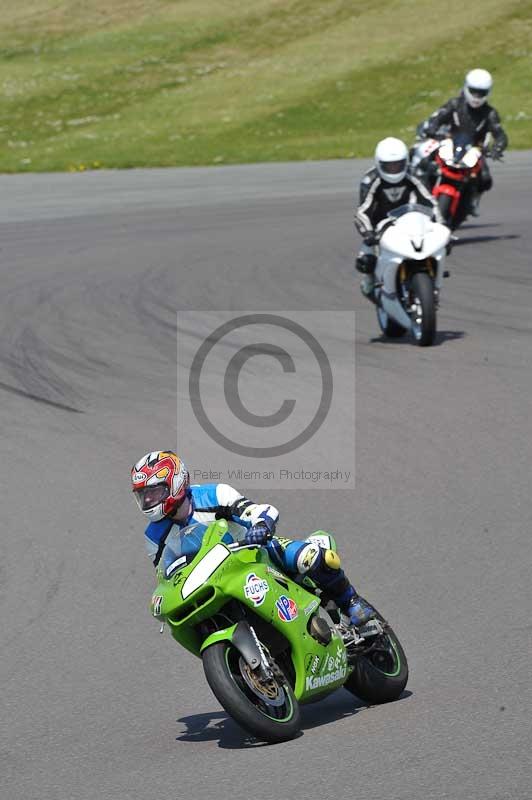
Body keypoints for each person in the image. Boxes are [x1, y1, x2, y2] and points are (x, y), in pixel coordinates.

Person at [131, 450, 375, 628]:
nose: (149, 501)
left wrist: (260, 525)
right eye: (143, 496)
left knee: (312, 557)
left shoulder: (213, 494)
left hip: (256, 553)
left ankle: (351, 601)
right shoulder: (154, 536)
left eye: (154, 492)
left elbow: (257, 510)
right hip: (214, 580)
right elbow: (165, 575)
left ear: (175, 483)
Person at [354, 136, 442, 300]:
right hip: (379, 225)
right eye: (389, 166)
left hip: (410, 219)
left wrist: (442, 228)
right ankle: (371, 281)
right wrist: (368, 233)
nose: (394, 170)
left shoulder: (414, 174)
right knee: (365, 261)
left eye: (398, 165)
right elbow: (362, 211)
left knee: (435, 245)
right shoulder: (371, 179)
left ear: (406, 162)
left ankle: (433, 282)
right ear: (379, 163)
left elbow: (430, 202)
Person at [418, 69, 508, 214]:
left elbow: (500, 134)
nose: (477, 97)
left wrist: (497, 149)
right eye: (474, 91)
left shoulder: (490, 113)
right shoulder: (454, 104)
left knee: (485, 179)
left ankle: (472, 201)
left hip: (474, 150)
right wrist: (432, 130)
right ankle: (418, 194)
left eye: (481, 92)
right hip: (449, 143)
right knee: (424, 163)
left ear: (488, 92)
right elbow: (438, 118)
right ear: (466, 88)